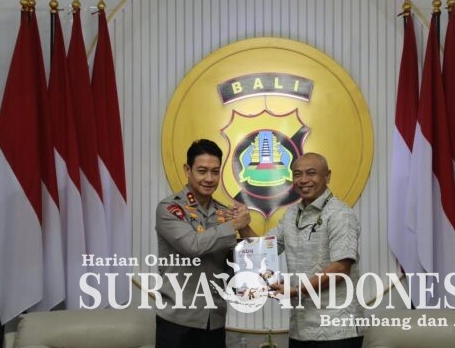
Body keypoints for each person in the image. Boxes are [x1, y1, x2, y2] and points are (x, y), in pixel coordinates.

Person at [239, 152, 363, 348]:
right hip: (301, 329)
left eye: (311, 173)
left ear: (327, 176)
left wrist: (296, 291)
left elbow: (340, 268)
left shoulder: (341, 214)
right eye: (297, 174)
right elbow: (263, 249)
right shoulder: (291, 214)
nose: (303, 180)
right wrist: (243, 225)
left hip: (337, 330)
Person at [154, 139, 251, 348]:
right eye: (202, 171)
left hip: (214, 320)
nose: (209, 178)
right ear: (187, 170)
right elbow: (193, 245)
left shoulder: (224, 213)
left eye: (215, 172)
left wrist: (244, 227)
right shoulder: (170, 208)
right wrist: (234, 225)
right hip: (177, 321)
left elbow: (243, 261)